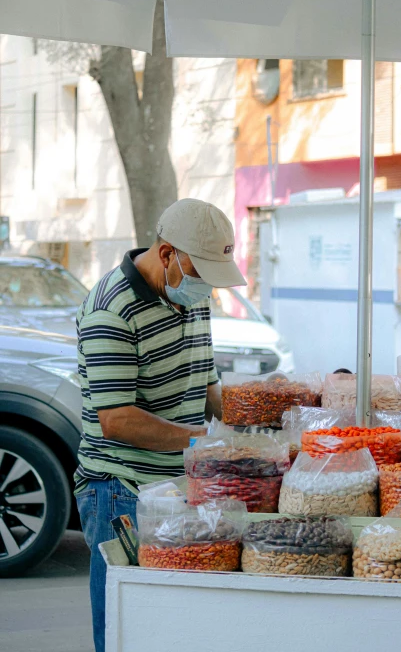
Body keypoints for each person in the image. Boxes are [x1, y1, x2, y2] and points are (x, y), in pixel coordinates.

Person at [75, 198, 245, 652]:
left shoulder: (191, 297)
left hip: (177, 483)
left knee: (175, 627)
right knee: (126, 631)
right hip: (120, 489)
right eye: (201, 272)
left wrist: (254, 426)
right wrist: (207, 441)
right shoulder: (110, 310)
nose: (207, 286)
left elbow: (207, 386)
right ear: (167, 253)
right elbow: (116, 419)